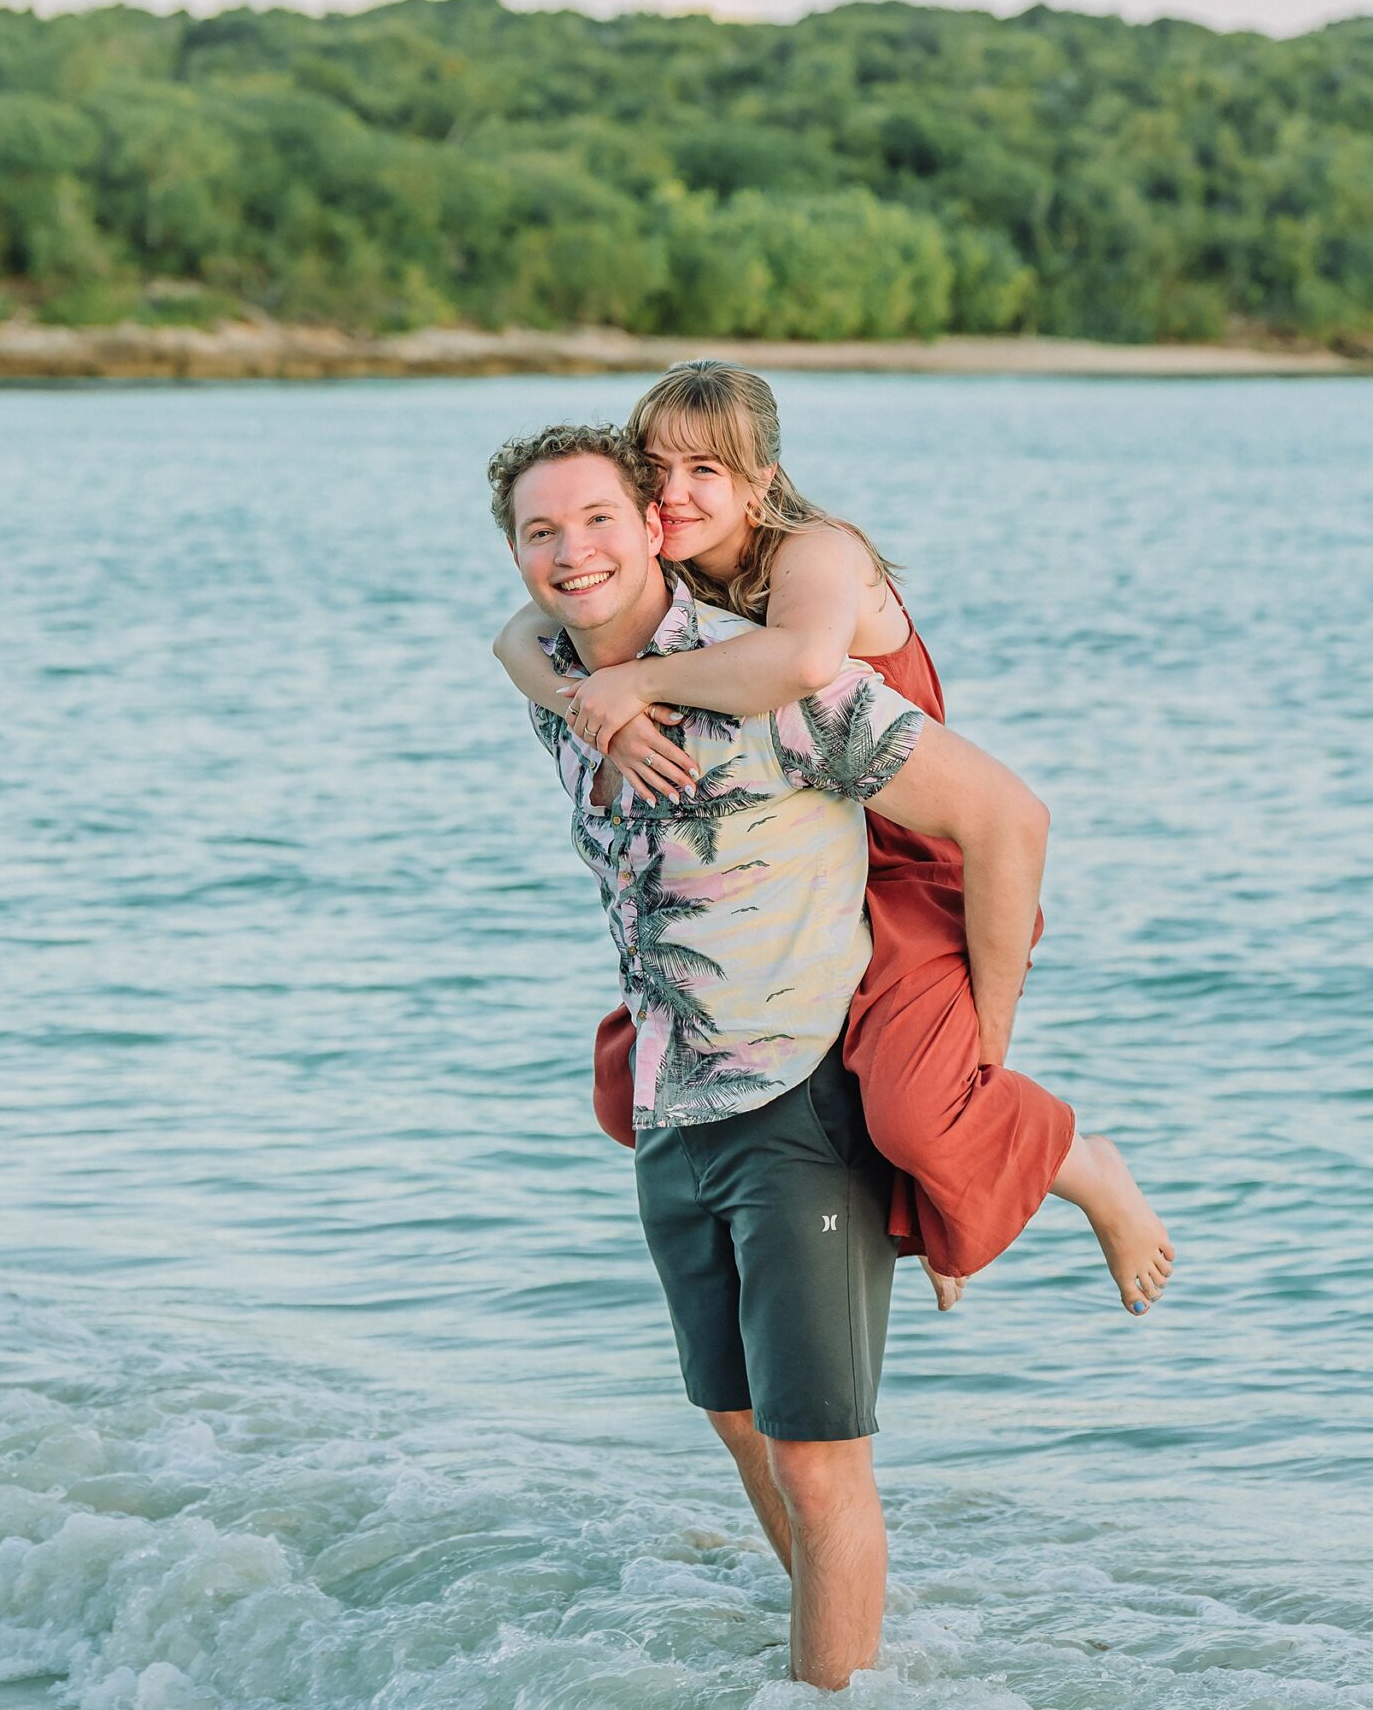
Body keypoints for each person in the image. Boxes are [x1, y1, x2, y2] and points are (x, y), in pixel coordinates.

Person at [489, 418, 1067, 1687]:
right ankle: (836, 1683)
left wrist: (978, 1040)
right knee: (739, 1426)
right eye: (541, 531)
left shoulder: (779, 685)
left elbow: (1004, 815)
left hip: (796, 1101)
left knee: (817, 1461)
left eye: (597, 519)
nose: (571, 550)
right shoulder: (567, 692)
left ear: (654, 525)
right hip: (672, 1108)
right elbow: (520, 640)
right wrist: (594, 688)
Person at [495, 360, 1174, 1318]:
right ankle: (937, 1203)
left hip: (914, 857)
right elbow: (517, 635)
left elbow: (804, 661)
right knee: (628, 1087)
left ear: (760, 480)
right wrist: (583, 706)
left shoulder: (813, 551)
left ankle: (1076, 1163)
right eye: (657, 471)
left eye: (707, 471)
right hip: (804, 858)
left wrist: (636, 688)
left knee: (919, 1105)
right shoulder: (672, 567)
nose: (677, 494)